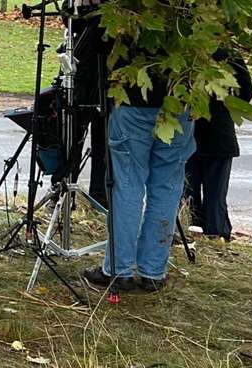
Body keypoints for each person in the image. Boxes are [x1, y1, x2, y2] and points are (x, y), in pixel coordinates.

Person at [82, 40, 196, 295]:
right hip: (179, 100)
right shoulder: (198, 9)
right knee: (166, 187)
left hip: (133, 101)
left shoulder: (127, 5)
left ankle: (119, 270)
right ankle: (152, 271)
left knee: (127, 187)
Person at [184, 53, 252, 242]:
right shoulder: (228, 55)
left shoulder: (186, 53)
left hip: (189, 131)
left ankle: (194, 233)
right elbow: (246, 91)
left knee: (188, 192)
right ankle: (216, 234)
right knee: (215, 194)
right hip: (219, 132)